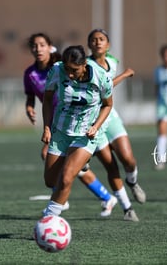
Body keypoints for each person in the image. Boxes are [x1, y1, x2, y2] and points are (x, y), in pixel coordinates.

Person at [24, 34, 117, 217]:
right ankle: (75, 166)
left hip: (85, 135)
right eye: (67, 69)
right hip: (60, 132)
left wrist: (96, 126)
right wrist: (47, 127)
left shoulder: (101, 77)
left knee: (67, 178)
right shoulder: (57, 70)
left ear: (85, 65)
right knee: (51, 181)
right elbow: (48, 100)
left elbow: (108, 105)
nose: (70, 74)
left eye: (75, 70)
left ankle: (50, 219)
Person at [87, 29, 146, 211]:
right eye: (94, 40)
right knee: (111, 167)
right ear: (89, 44)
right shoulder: (87, 66)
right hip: (94, 123)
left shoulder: (112, 61)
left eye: (102, 39)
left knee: (129, 160)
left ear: (108, 45)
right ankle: (127, 209)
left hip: (110, 117)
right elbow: (105, 84)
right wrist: (126, 74)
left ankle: (133, 182)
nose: (98, 42)